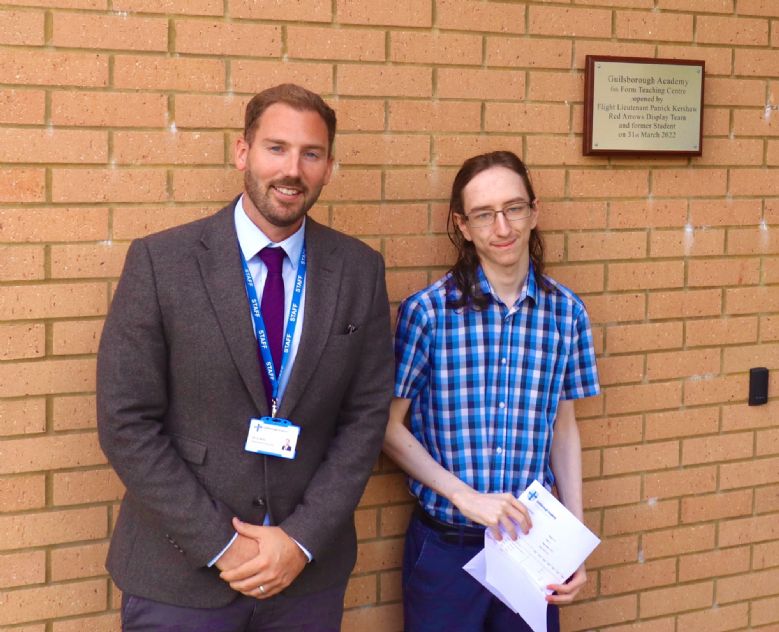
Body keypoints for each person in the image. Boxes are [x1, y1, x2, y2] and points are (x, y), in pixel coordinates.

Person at [97, 83, 394, 631]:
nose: (292, 170)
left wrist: (301, 539)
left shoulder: (359, 270)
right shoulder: (162, 263)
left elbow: (365, 419)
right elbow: (125, 423)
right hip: (180, 576)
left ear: (329, 166)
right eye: (276, 148)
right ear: (242, 152)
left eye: (312, 153)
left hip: (304, 577)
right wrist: (222, 545)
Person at [383, 151, 600, 632]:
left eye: (514, 208)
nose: (502, 226)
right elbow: (386, 427)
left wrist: (573, 544)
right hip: (445, 551)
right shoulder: (429, 313)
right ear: (463, 225)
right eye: (484, 214)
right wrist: (465, 496)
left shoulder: (566, 314)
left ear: (534, 212)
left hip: (531, 547)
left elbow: (564, 431)